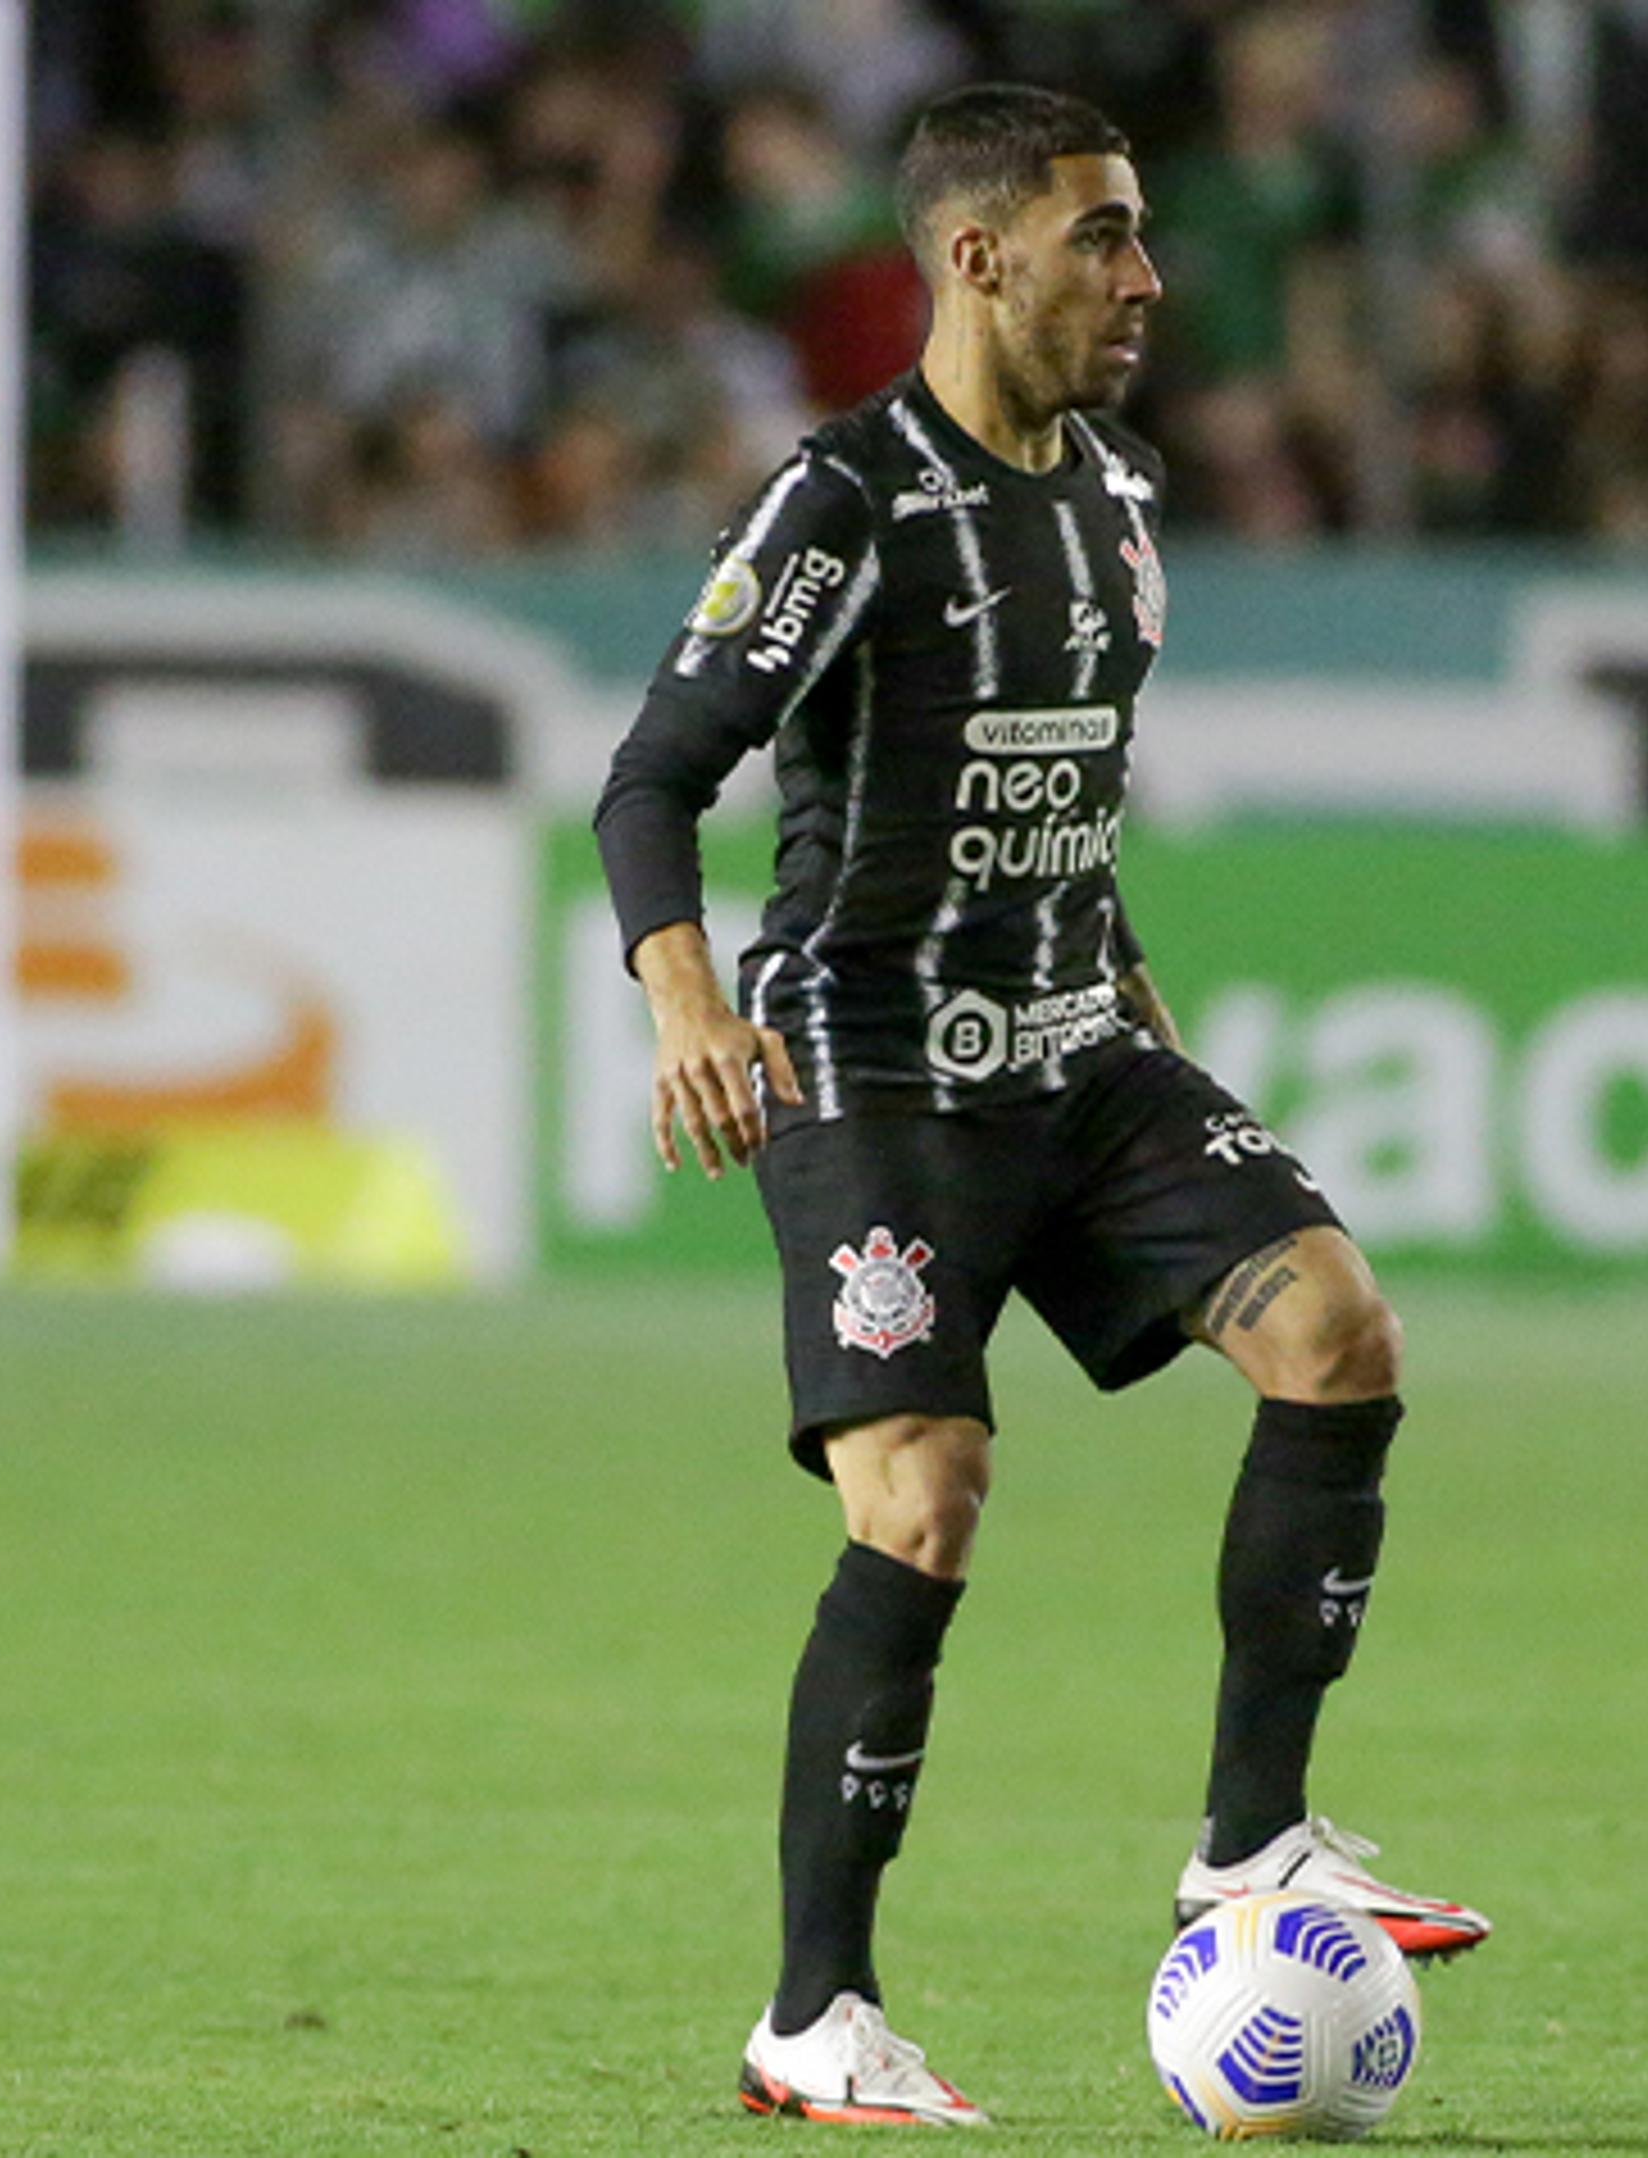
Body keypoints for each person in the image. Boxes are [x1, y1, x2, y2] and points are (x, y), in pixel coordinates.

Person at [592, 84, 1488, 2129]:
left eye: (1143, 236)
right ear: (977, 253)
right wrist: (685, 1006)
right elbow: (651, 777)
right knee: (922, 1497)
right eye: (1107, 237)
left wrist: (1136, 991)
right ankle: (815, 2013)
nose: (1148, 277)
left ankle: (1249, 1838)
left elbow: (1058, 780)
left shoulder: (1118, 498)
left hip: (1080, 1039)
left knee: (1338, 1326)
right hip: (876, 1066)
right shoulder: (843, 502)